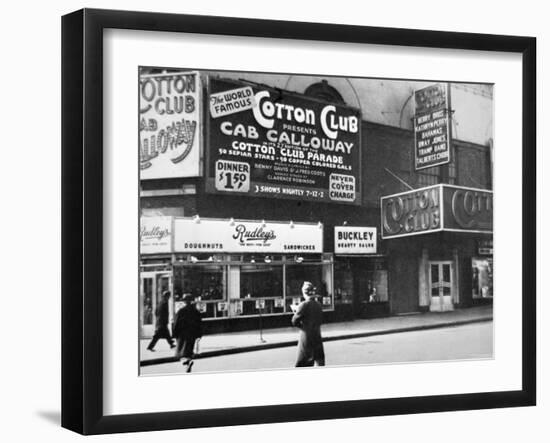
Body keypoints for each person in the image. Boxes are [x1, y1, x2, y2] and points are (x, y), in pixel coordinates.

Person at [291, 281, 325, 367]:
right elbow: (321, 319)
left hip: (306, 337)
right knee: (318, 361)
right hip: (317, 336)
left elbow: (294, 321)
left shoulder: (303, 305)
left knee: (303, 362)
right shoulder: (318, 305)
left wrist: (303, 326)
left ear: (304, 293)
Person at [172, 293, 203, 373]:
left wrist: (174, 333)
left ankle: (187, 362)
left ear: (184, 301)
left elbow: (176, 323)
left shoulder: (181, 311)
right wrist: (199, 334)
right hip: (192, 333)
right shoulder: (195, 311)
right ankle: (188, 362)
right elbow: (199, 323)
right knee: (189, 349)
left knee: (181, 350)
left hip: (182, 334)